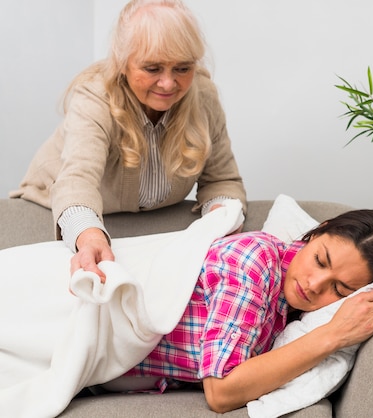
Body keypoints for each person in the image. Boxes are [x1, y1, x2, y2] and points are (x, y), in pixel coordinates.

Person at [9, 0, 246, 283]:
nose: (168, 84)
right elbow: (77, 181)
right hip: (59, 209)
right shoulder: (94, 96)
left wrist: (220, 221)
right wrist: (89, 235)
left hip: (151, 221)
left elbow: (222, 180)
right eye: (152, 68)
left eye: (182, 68)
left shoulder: (203, 97)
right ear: (122, 63)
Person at [100, 209, 373, 413]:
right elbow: (220, 393)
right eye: (320, 260)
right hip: (92, 306)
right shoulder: (256, 263)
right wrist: (332, 335)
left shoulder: (293, 309)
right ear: (317, 232)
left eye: (340, 290)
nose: (316, 284)